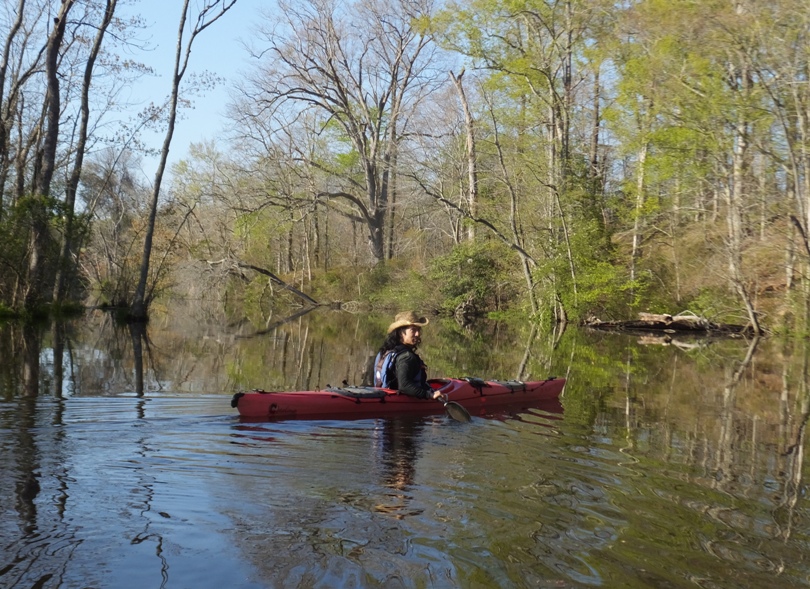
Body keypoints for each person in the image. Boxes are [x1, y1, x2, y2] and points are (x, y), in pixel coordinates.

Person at [374, 311, 444, 400]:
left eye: (418, 330)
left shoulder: (386, 351)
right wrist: (429, 395)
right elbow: (404, 386)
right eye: (413, 330)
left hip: (384, 395)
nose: (418, 334)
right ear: (400, 333)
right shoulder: (407, 357)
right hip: (398, 400)